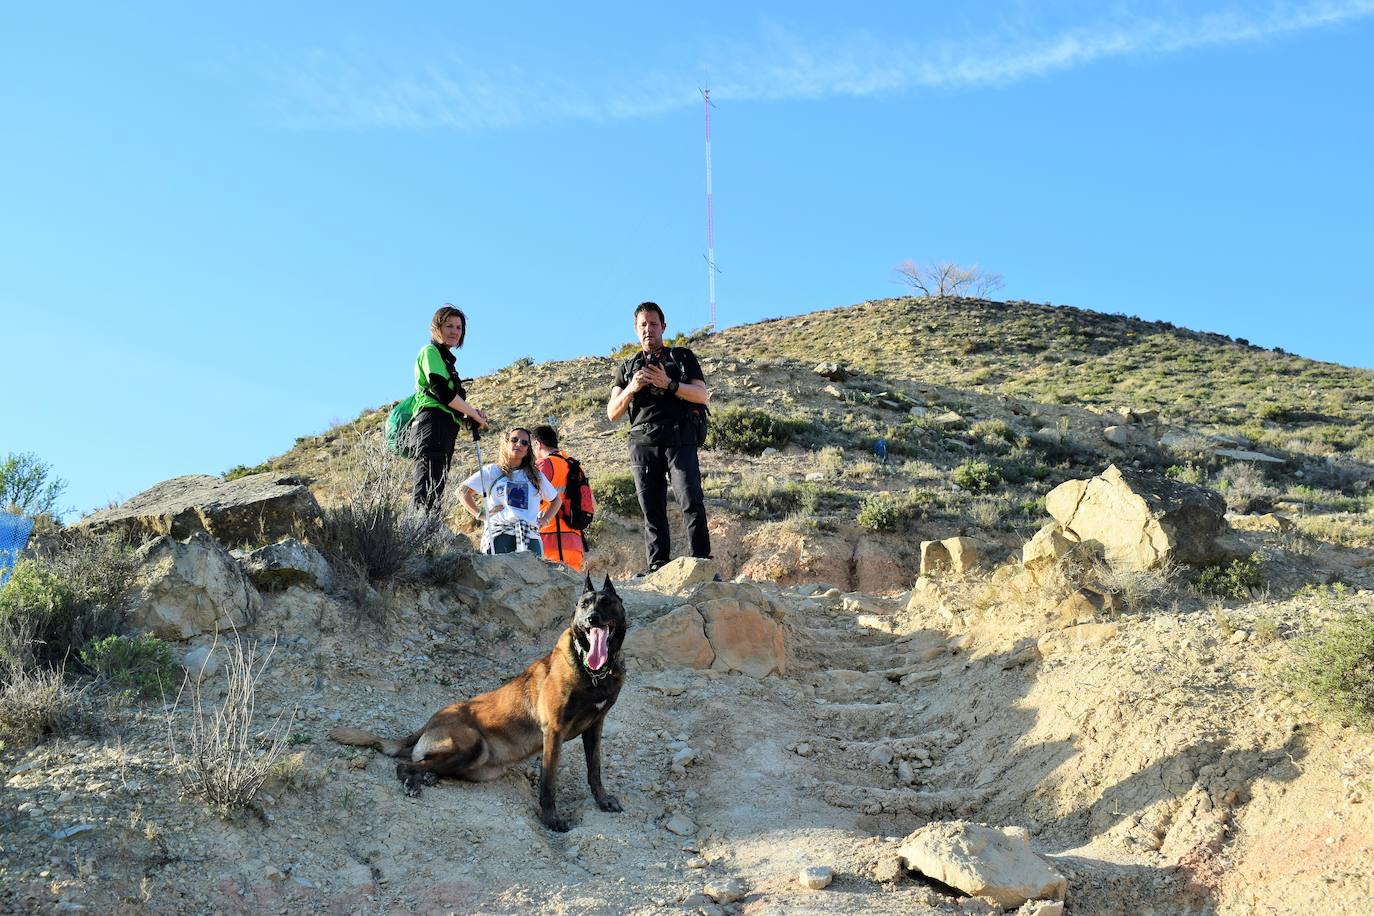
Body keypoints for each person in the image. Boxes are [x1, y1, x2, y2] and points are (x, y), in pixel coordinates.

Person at [607, 301, 711, 573]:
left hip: (680, 438)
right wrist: (632, 387)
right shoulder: (628, 367)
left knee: (691, 500)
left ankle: (702, 563)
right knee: (651, 509)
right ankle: (657, 566)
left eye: (653, 324)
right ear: (635, 329)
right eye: (643, 324)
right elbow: (612, 413)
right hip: (643, 443)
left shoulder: (682, 357)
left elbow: (701, 395)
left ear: (663, 326)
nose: (648, 329)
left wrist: (669, 384)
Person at [412, 304, 488, 514]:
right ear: (437, 327)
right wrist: (472, 413)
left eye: (458, 327)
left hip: (444, 426)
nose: (454, 331)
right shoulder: (430, 351)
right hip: (432, 423)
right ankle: (417, 536)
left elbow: (450, 401)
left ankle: (428, 536)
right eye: (449, 326)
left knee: (436, 486)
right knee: (427, 483)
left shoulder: (446, 360)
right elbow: (441, 392)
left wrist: (469, 415)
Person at [459, 427, 561, 555]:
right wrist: (480, 515)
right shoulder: (492, 471)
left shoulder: (536, 476)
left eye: (524, 443)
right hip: (500, 535)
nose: (519, 444)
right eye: (514, 440)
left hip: (530, 537)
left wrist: (545, 519)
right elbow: (462, 492)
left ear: (528, 450)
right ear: (506, 443)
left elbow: (556, 500)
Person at [531, 424, 588, 571]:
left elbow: (530, 498)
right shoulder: (575, 466)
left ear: (537, 443)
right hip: (575, 542)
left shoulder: (544, 464)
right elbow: (591, 503)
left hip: (549, 540)